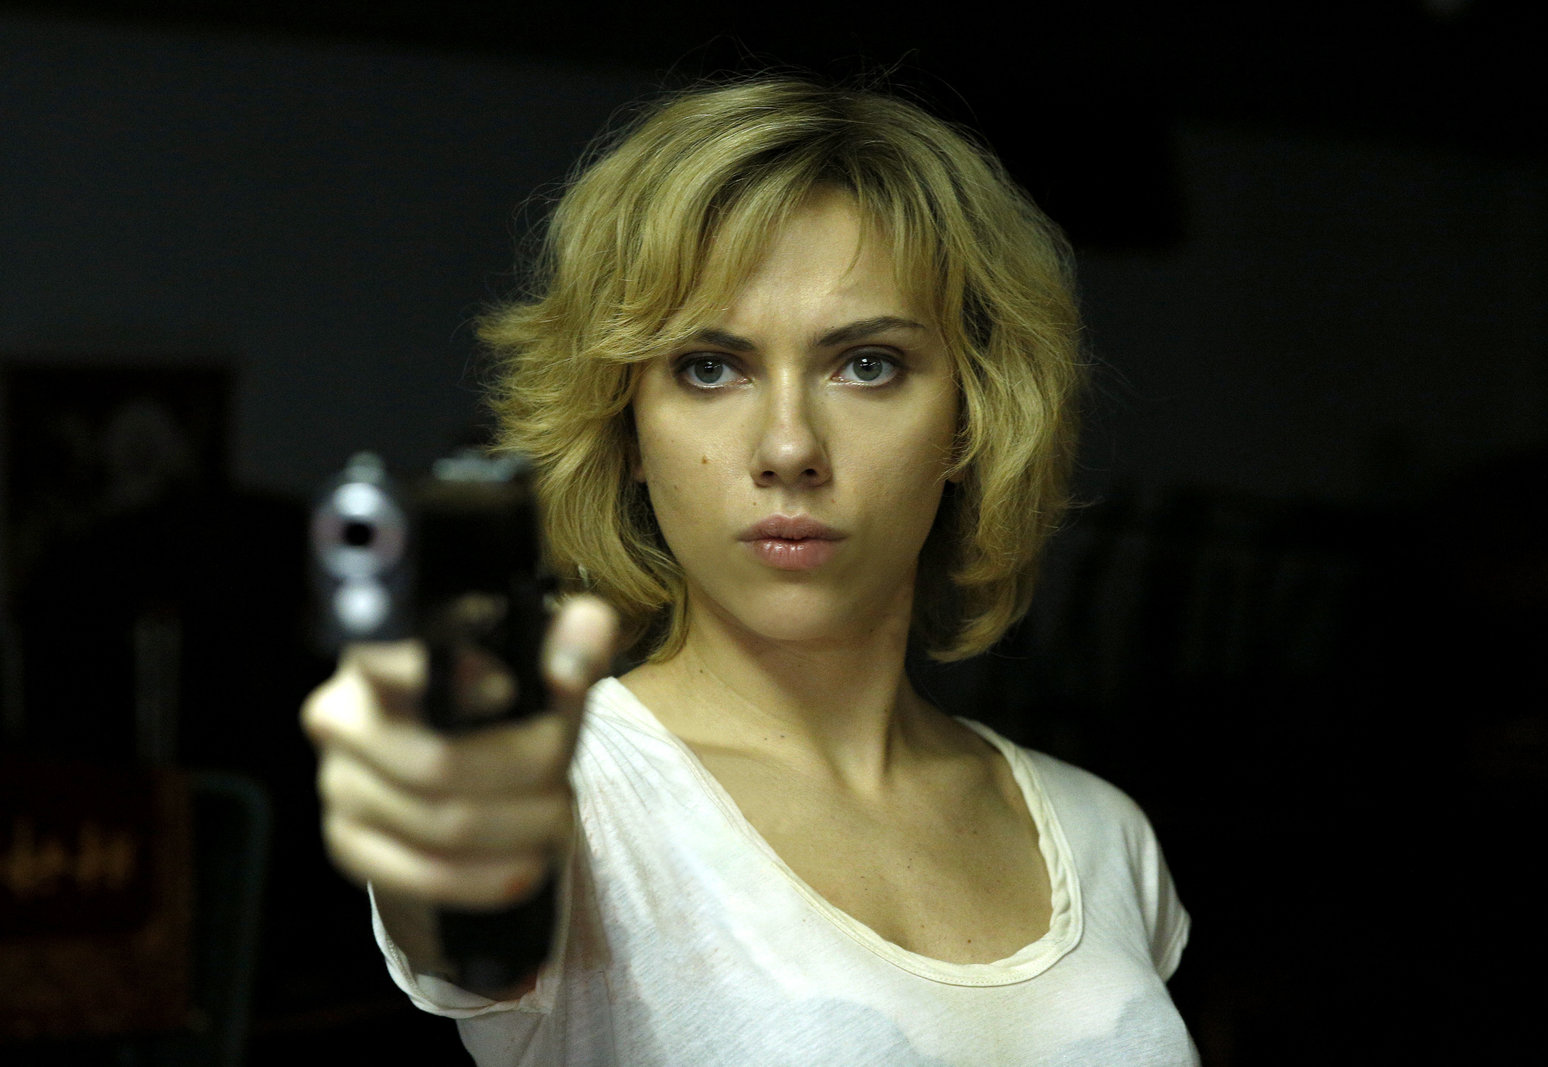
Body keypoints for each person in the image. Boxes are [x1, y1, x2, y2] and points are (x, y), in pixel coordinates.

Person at [302, 76, 1198, 1065]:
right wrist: (446, 836)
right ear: (626, 427)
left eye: (867, 364)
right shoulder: (569, 790)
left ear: (969, 418)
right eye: (708, 367)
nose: (788, 447)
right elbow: (465, 907)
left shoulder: (1099, 832)